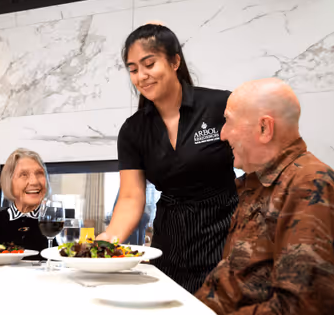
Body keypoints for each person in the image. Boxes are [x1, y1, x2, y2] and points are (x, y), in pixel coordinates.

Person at [195, 78, 334, 314]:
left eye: (228, 122)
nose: (222, 135)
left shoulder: (310, 187)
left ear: (264, 128)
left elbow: (303, 308)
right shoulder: (261, 186)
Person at [96, 23, 238, 293]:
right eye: (134, 69)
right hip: (170, 241)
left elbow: (254, 163)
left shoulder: (220, 106)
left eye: (149, 64)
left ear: (174, 61)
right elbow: (130, 197)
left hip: (224, 236)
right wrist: (106, 242)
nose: (141, 76)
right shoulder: (133, 130)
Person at [0, 148, 55, 259]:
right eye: (24, 175)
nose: (34, 182)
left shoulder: (60, 227)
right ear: (9, 182)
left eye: (39, 173)